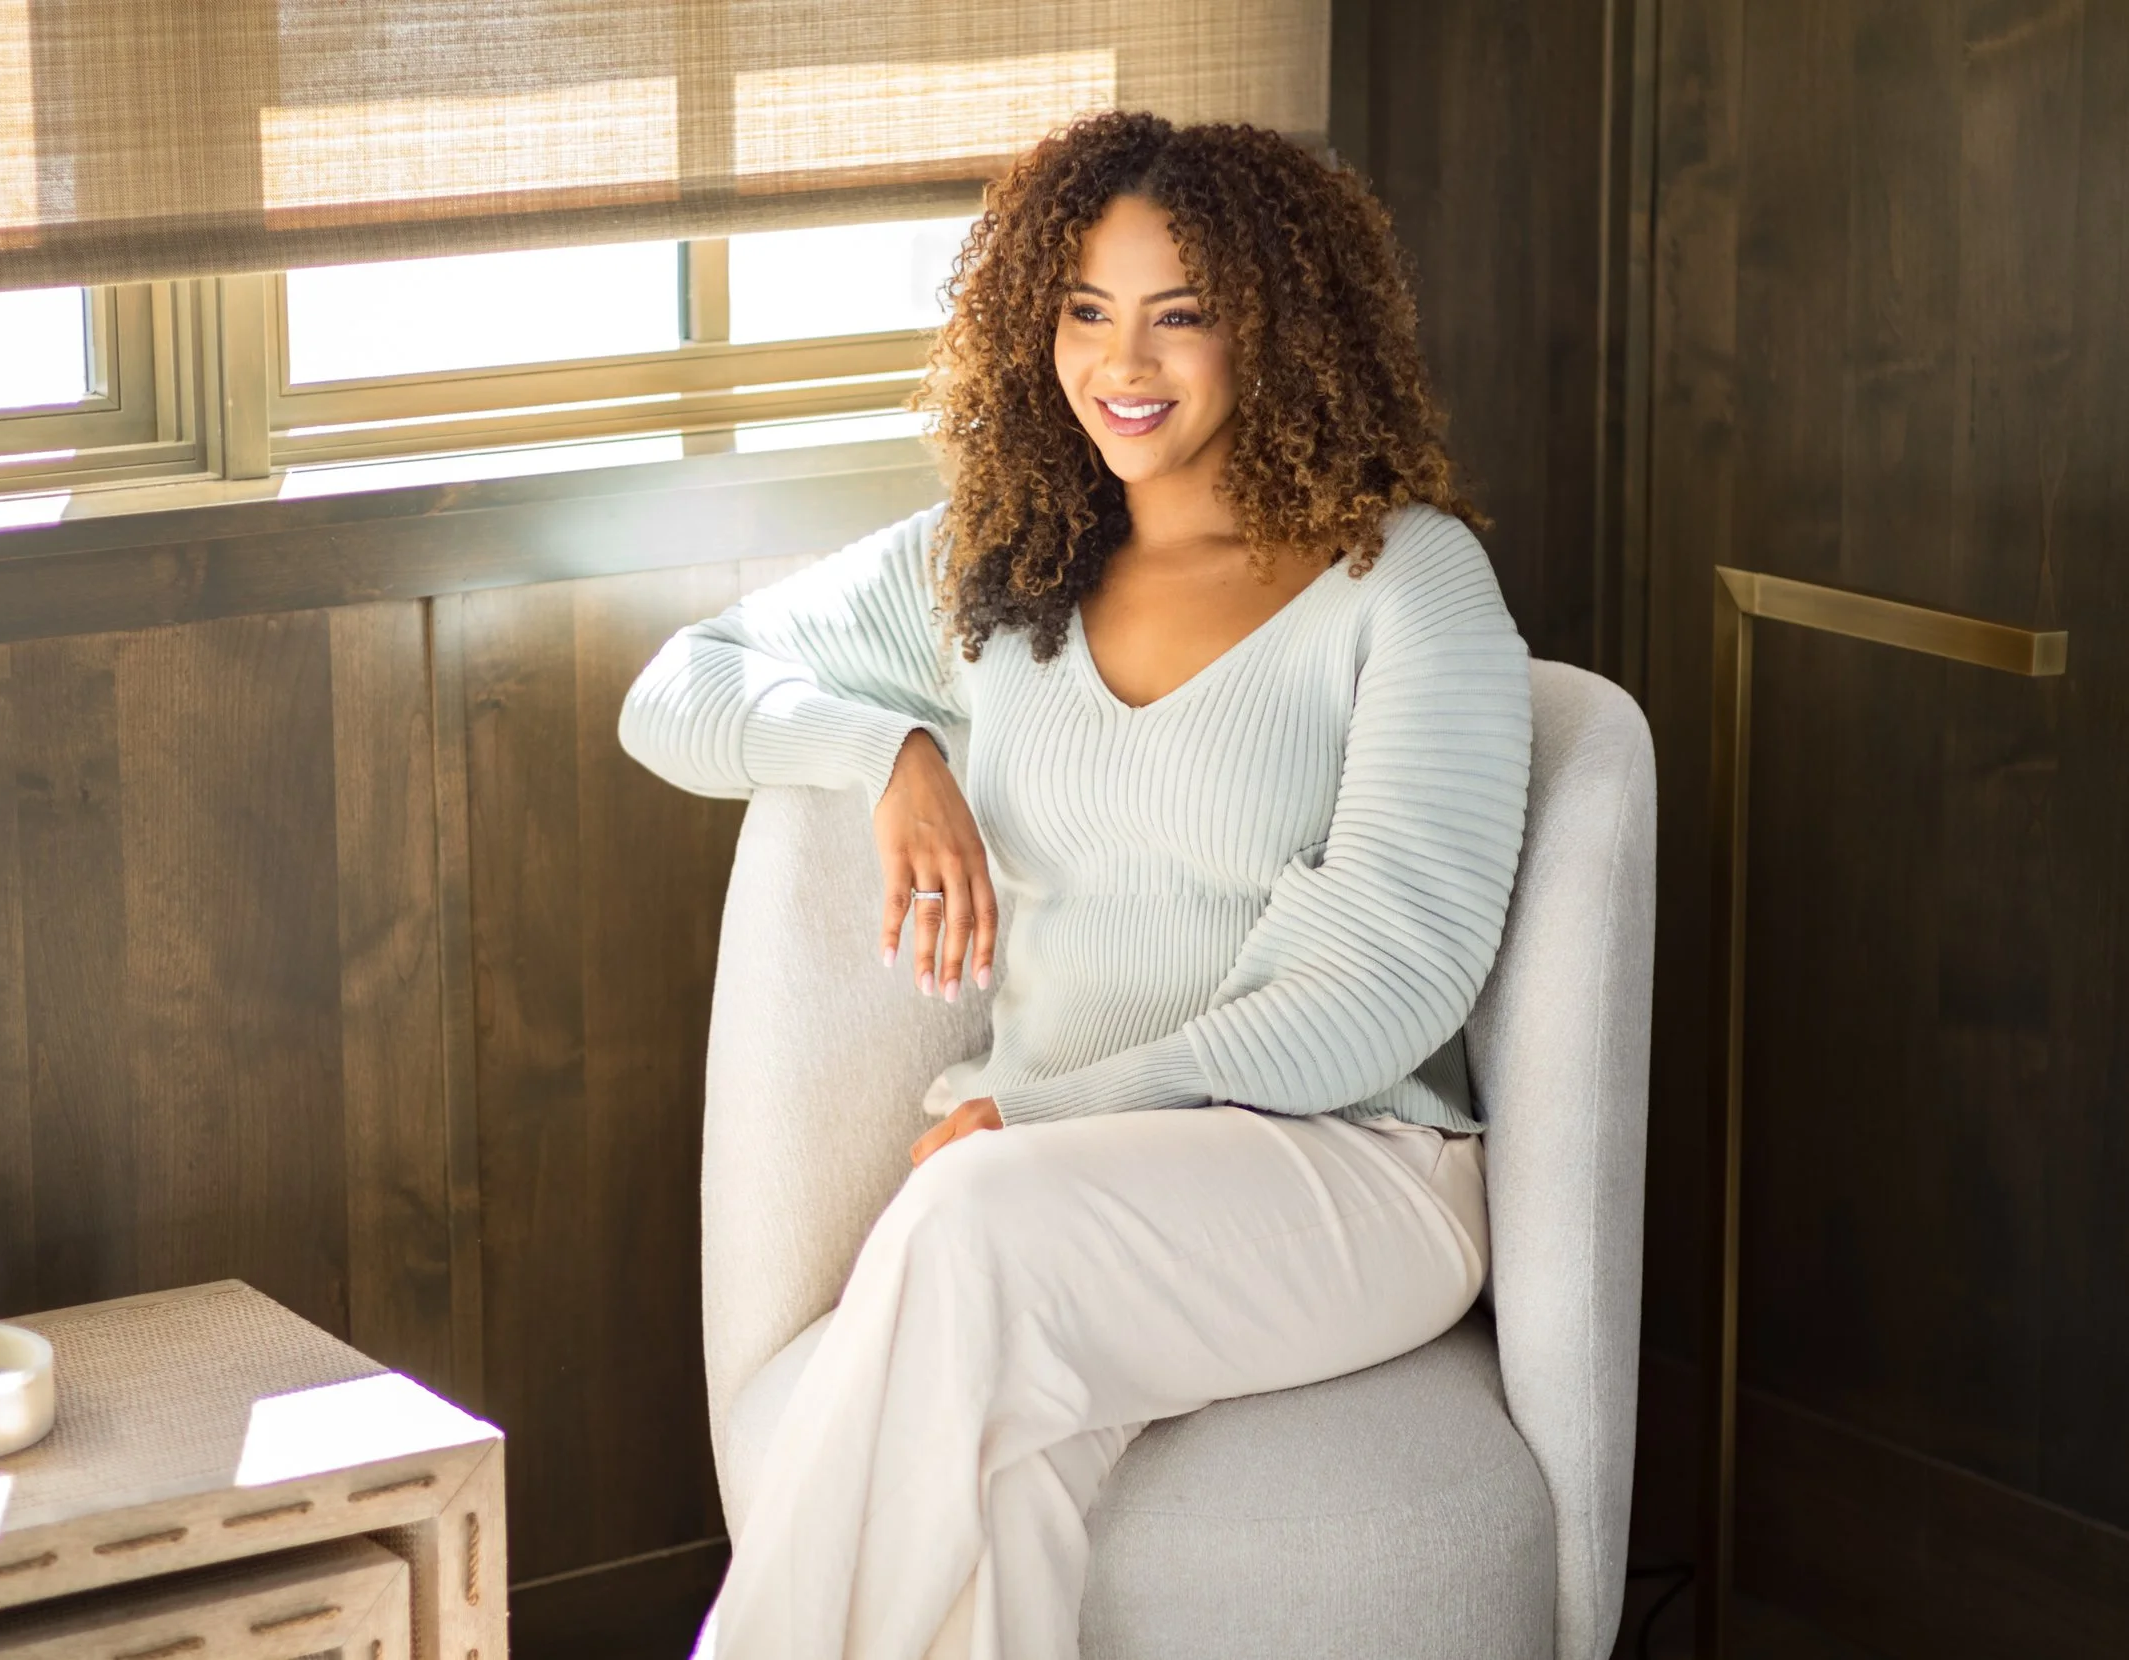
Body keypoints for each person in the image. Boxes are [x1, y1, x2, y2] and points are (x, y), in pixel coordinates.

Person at [619, 108, 1531, 1660]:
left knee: (962, 1225)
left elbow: (1393, 974)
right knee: (997, 1480)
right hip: (1045, 1197)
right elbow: (680, 690)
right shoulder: (997, 568)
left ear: (1280, 328)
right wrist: (888, 748)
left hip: (1349, 1174)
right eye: (1085, 310)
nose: (1127, 361)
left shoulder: (1407, 578)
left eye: (1182, 314)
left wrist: (1045, 1114)